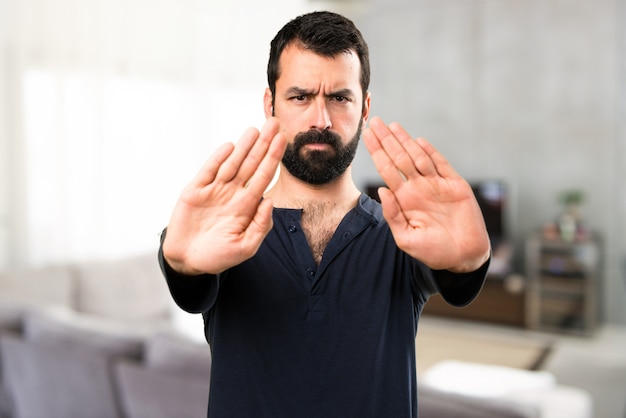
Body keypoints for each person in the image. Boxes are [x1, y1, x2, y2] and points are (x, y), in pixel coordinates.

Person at [159, 10, 491, 418]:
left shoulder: (404, 233)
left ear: (365, 107)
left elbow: (454, 279)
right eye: (300, 97)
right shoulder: (226, 232)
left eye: (339, 98)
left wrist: (469, 264)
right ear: (271, 104)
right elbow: (190, 282)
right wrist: (179, 263)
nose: (321, 119)